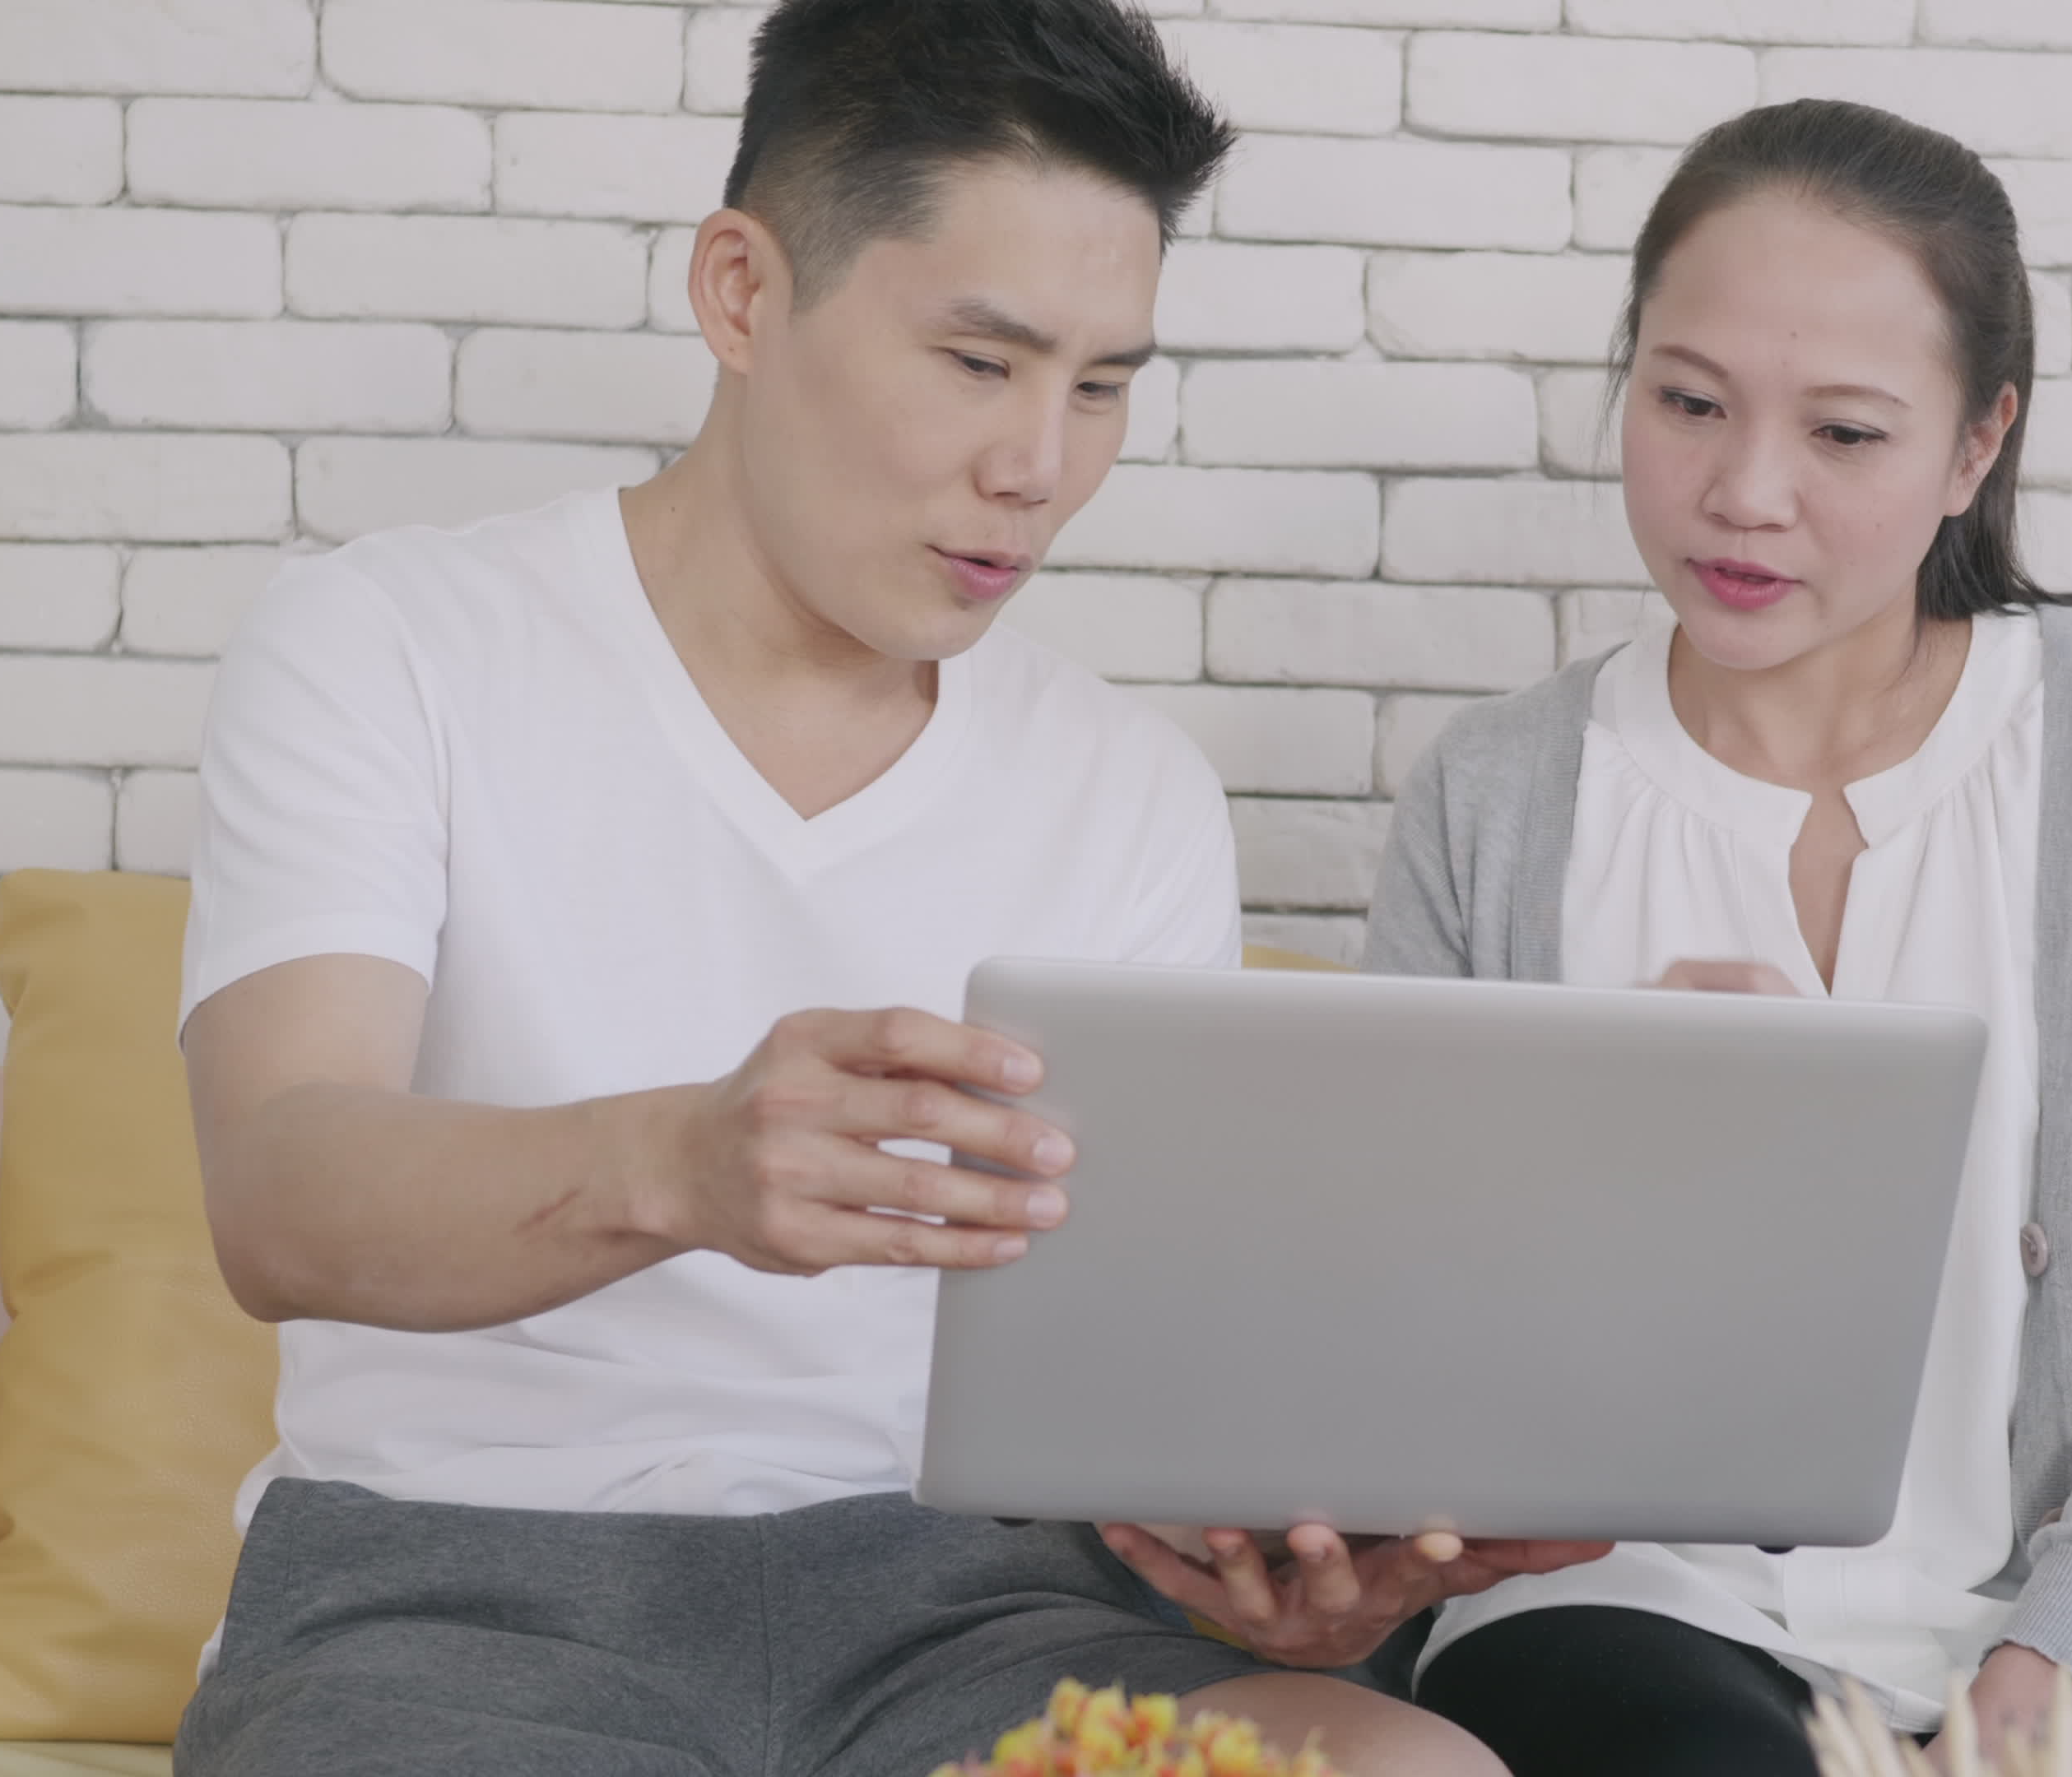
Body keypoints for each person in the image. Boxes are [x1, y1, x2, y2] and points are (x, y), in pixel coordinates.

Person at [170, 4, 1582, 1770]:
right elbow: (279, 1193)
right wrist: (679, 1162)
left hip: (983, 1612)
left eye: (1103, 385)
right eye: (979, 363)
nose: (1039, 467)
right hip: (465, 1599)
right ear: (744, 294)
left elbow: (1138, 1375)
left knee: (1410, 1761)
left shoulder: (1125, 789)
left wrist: (1286, 1576)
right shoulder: (387, 643)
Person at [1354, 100, 2072, 1777]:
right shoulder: (1498, 795)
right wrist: (1586, 1176)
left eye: (1843, 435)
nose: (1743, 493)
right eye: (1686, 403)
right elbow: (1397, 1337)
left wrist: (2050, 1670)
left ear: (1978, 447)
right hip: (1626, 1623)